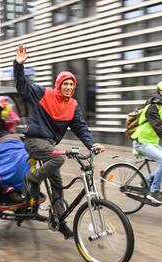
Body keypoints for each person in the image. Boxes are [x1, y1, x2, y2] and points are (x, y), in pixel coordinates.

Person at [14, 44, 105, 239]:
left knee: (57, 184)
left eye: (72, 85)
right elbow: (22, 87)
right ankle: (31, 180)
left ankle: (59, 220)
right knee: (60, 159)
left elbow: (80, 127)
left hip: (49, 146)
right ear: (59, 84)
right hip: (34, 141)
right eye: (66, 83)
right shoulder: (43, 93)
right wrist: (19, 65)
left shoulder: (72, 105)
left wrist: (92, 145)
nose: (69, 87)